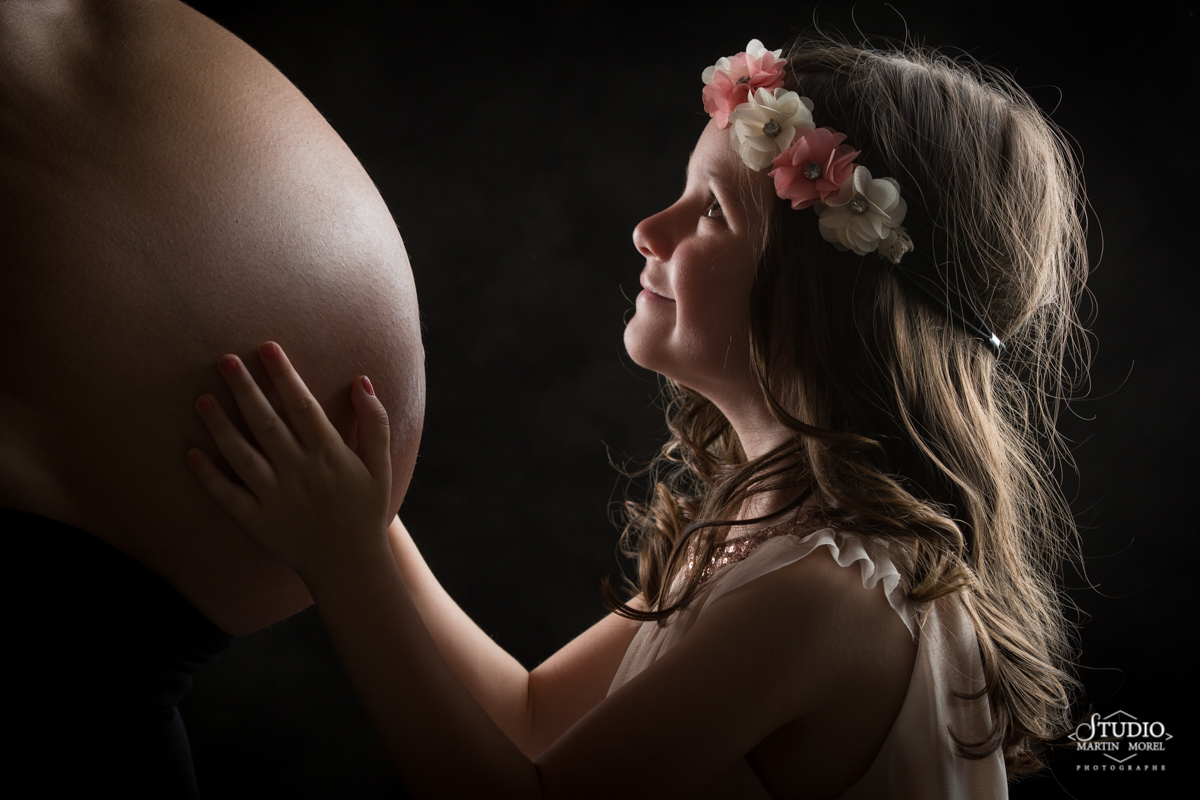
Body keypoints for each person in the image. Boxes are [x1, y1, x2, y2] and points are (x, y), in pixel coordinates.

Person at [186, 36, 1087, 798]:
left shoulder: (828, 596)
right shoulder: (764, 532)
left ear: (832, 301)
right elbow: (534, 718)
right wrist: (367, 513)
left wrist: (344, 563)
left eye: (713, 215)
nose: (650, 231)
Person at [0, 1, 423, 795]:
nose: (650, 229)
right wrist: (354, 544)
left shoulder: (735, 594)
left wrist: (355, 550)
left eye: (713, 209)